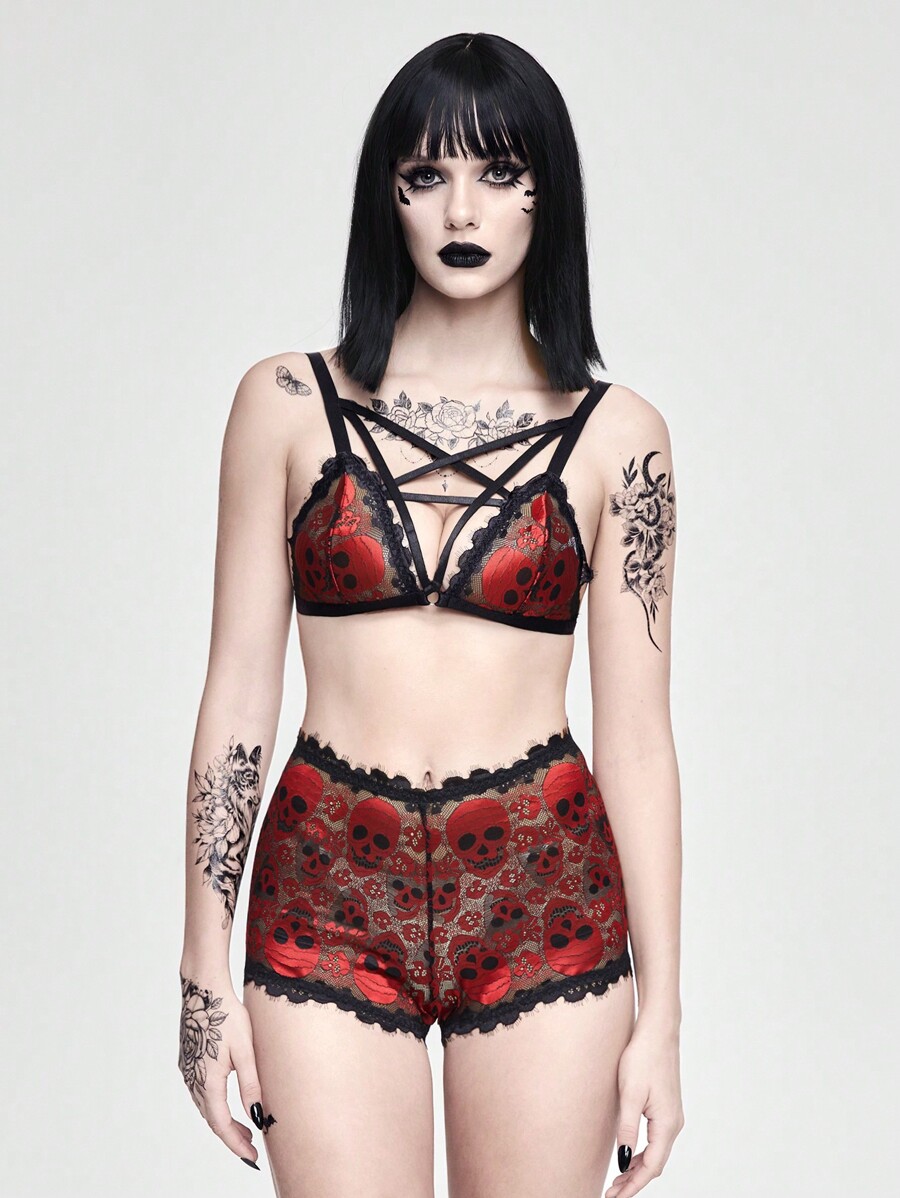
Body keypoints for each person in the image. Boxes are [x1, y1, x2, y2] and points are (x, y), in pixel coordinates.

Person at [178, 31, 684, 1198]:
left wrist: (663, 1016)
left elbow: (640, 743)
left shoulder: (622, 439)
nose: (463, 209)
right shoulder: (284, 403)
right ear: (386, 197)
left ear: (549, 196)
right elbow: (237, 696)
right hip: (324, 888)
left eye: (501, 173)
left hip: (544, 889)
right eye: (426, 174)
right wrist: (202, 975)